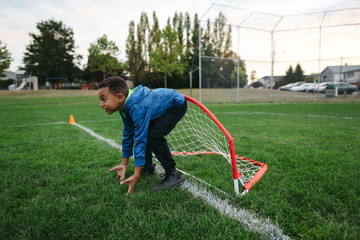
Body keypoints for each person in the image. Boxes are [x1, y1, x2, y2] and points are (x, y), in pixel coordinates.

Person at [98, 76, 187, 194]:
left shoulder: (137, 106)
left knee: (153, 136)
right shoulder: (124, 107)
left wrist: (136, 174)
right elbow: (128, 134)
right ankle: (148, 167)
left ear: (120, 97)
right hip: (156, 108)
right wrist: (124, 164)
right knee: (145, 134)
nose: (101, 104)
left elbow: (140, 138)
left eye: (104, 100)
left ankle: (172, 174)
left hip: (175, 105)